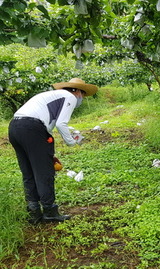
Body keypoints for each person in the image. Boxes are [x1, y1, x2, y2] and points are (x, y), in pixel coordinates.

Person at [8, 78, 98, 224]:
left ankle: (34, 212)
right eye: (83, 93)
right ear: (77, 91)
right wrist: (71, 142)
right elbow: (61, 123)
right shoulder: (69, 96)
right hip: (32, 128)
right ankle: (50, 212)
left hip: (15, 127)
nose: (82, 97)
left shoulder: (51, 96)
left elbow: (49, 124)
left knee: (28, 171)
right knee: (44, 172)